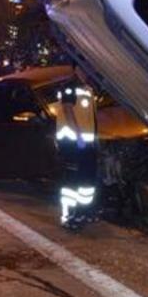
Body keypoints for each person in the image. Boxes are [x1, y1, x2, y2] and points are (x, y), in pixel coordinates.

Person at [52, 83, 98, 229]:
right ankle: (69, 215)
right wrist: (78, 136)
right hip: (72, 142)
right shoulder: (70, 87)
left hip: (85, 143)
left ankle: (83, 213)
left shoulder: (89, 89)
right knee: (73, 181)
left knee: (86, 180)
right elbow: (67, 110)